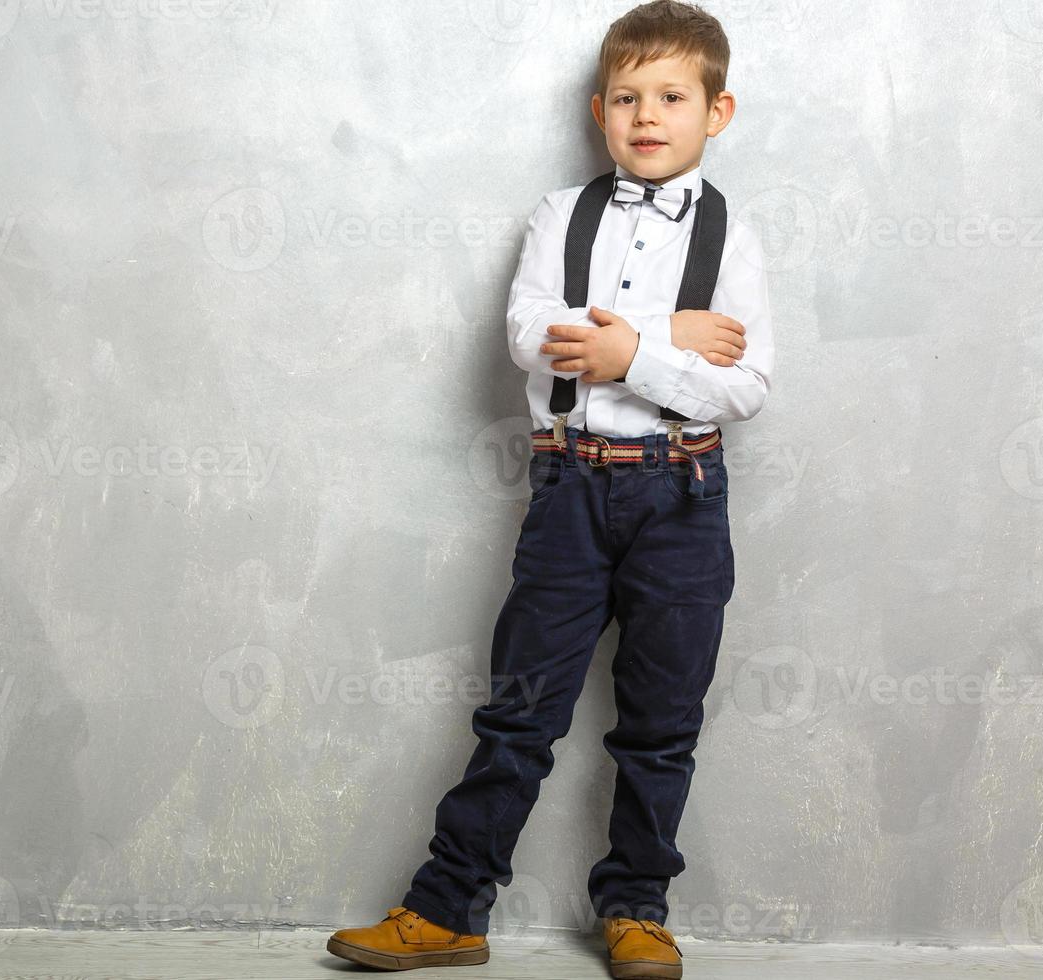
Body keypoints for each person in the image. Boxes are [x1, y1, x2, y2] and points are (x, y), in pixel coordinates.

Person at [325, 3, 776, 977]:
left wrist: (619, 347)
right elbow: (531, 335)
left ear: (717, 110)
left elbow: (746, 382)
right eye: (627, 96)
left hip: (684, 498)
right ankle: (450, 908)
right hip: (571, 487)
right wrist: (663, 336)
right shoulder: (558, 214)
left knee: (661, 719)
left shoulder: (734, 237)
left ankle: (636, 906)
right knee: (520, 707)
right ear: (599, 107)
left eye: (670, 96)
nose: (646, 114)